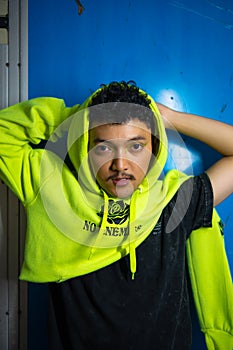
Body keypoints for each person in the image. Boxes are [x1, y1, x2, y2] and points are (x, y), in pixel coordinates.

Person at [0, 81, 233, 350]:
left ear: (155, 149)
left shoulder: (173, 203)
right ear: (85, 148)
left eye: (136, 147)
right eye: (103, 148)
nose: (120, 164)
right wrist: (73, 121)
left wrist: (171, 119)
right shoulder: (51, 187)